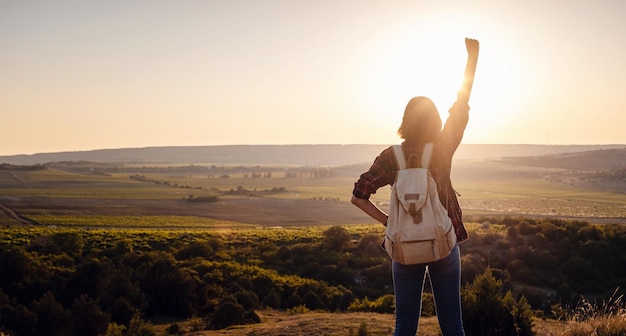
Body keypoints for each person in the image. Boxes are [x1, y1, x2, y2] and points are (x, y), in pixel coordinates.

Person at [351, 38, 479, 336]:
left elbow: (358, 196)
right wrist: (472, 59)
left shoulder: (391, 157)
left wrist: (388, 222)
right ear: (435, 121)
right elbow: (461, 107)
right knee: (453, 325)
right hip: (443, 243)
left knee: (404, 326)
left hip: (403, 246)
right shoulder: (443, 148)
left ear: (405, 121)